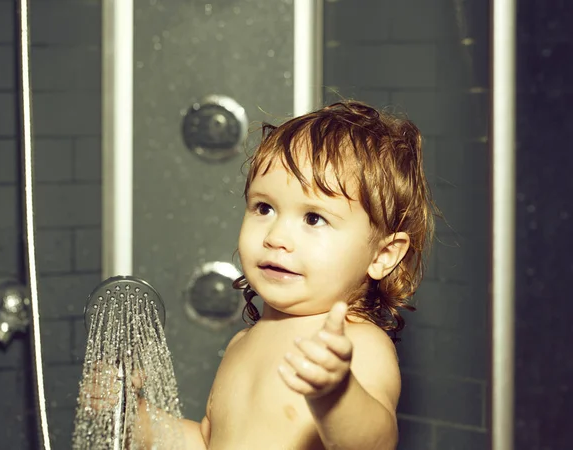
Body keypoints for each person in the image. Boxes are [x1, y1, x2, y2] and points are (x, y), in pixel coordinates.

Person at [94, 100, 436, 449]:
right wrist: (130, 415)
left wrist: (337, 394)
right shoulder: (243, 343)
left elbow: (373, 443)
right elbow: (207, 443)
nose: (275, 237)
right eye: (264, 208)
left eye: (314, 218)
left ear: (383, 255)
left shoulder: (356, 345)